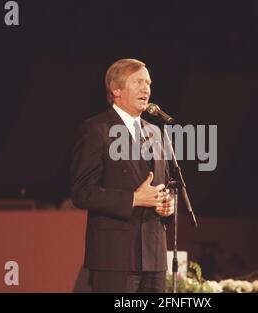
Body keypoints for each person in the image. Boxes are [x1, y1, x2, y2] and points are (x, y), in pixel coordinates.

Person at [70, 58, 174, 292]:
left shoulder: (155, 132)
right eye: (138, 82)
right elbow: (82, 192)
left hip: (154, 256)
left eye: (148, 83)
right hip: (115, 257)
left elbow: (164, 185)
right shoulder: (96, 129)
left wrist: (168, 202)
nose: (146, 88)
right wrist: (134, 199)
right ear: (116, 89)